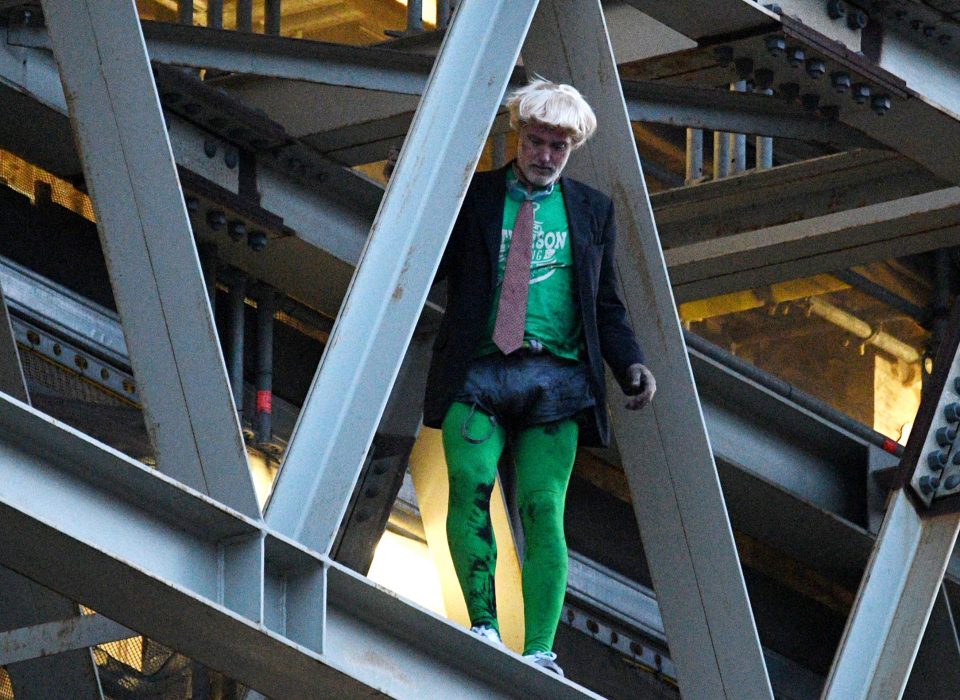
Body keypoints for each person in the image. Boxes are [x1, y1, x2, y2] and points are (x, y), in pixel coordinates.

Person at [421, 78, 655, 676]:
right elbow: (428, 262)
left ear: (572, 147)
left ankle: (541, 650)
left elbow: (606, 301)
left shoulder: (592, 210)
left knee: (542, 507)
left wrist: (629, 364)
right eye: (535, 140)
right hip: (478, 371)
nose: (545, 154)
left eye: (558, 145)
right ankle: (483, 625)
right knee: (470, 484)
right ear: (516, 137)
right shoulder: (473, 198)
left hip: (558, 379)